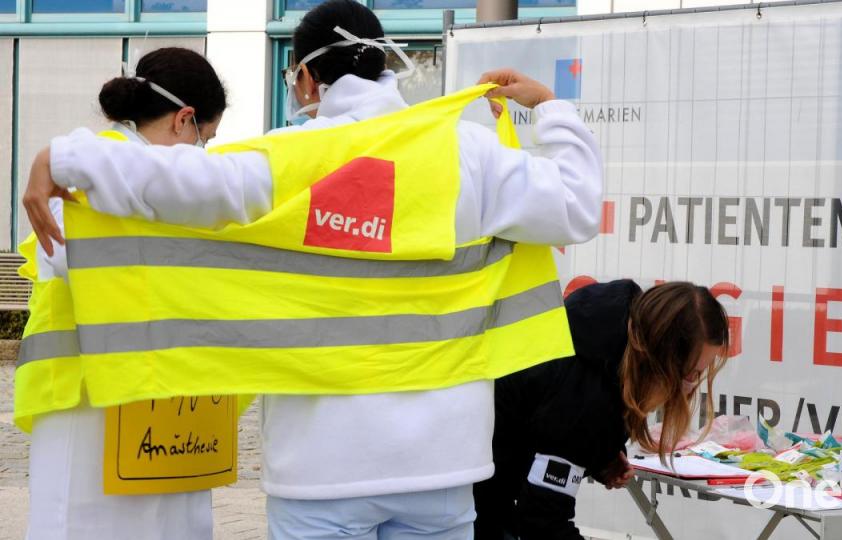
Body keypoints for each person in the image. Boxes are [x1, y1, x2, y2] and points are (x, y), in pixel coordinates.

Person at [22, 1, 603, 538]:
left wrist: (67, 156)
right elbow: (576, 206)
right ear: (384, 66)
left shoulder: (292, 157)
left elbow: (180, 180)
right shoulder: (468, 154)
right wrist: (549, 106)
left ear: (305, 78)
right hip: (443, 467)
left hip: (320, 468)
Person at [19, 47, 227, 539]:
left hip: (160, 407)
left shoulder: (95, 176)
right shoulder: (77, 185)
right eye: (206, 139)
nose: (203, 153)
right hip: (90, 406)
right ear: (184, 120)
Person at [473, 280, 730, 540]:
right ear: (661, 363)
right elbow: (542, 523)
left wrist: (599, 456)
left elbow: (543, 428)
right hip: (474, 493)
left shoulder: (606, 337)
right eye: (692, 375)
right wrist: (585, 445)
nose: (691, 388)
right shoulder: (585, 396)